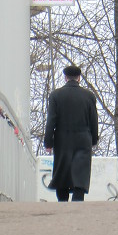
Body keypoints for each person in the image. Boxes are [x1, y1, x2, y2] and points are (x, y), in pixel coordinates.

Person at [44, 64, 99, 202]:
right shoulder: (89, 96)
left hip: (62, 139)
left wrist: (48, 142)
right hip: (83, 138)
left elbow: (51, 121)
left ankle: (62, 202)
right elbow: (94, 120)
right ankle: (77, 200)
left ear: (65, 77)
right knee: (81, 172)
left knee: (62, 171)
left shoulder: (55, 95)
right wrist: (94, 140)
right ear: (79, 78)